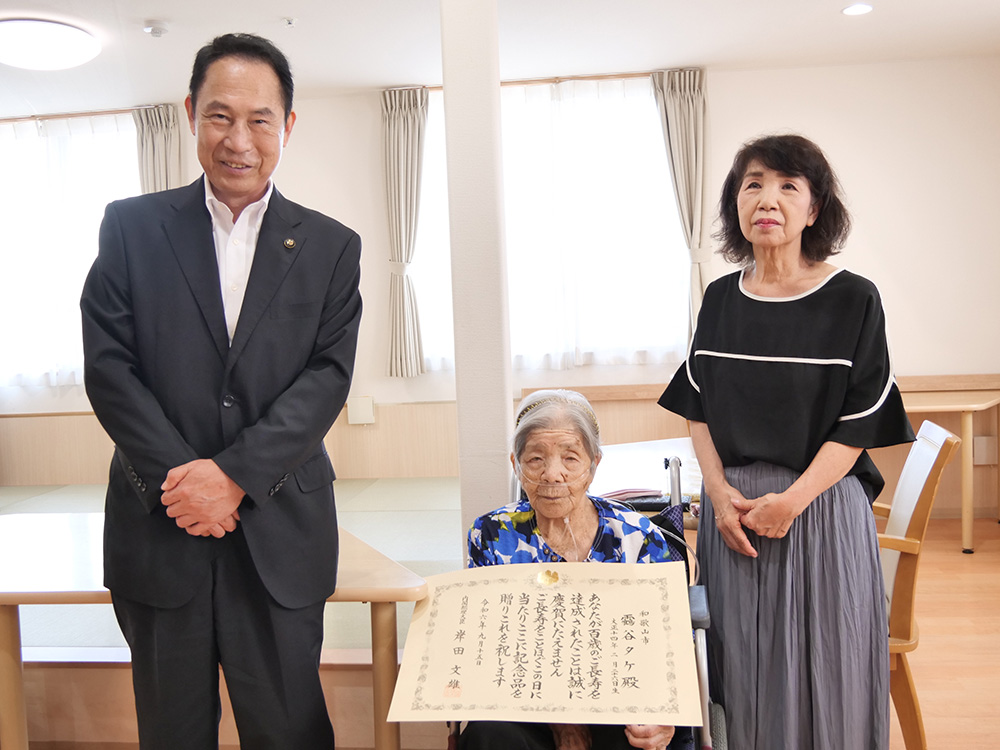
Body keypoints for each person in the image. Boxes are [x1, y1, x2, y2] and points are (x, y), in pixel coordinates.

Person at [80, 32, 362, 749]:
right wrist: (187, 481)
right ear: (189, 113)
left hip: (278, 529)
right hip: (158, 523)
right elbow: (110, 369)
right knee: (171, 732)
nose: (239, 139)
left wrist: (233, 475)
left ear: (287, 127)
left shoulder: (331, 246)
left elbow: (326, 377)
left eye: (259, 119)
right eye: (220, 115)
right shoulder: (131, 228)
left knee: (290, 729)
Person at [658, 134, 914, 749]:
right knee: (741, 670)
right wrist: (716, 492)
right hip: (735, 518)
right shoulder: (720, 298)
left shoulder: (854, 299)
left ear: (814, 209)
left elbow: (857, 426)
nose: (766, 198)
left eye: (787, 186)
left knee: (831, 669)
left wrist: (792, 501)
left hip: (819, 512)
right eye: (753, 184)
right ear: (736, 204)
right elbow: (698, 406)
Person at [462, 389, 691, 750]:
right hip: (529, 706)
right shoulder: (492, 533)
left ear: (593, 465)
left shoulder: (637, 536)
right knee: (486, 732)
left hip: (620, 702)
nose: (552, 475)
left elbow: (669, 644)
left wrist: (663, 717)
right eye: (535, 459)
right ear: (516, 464)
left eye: (570, 458)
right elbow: (490, 642)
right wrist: (563, 723)